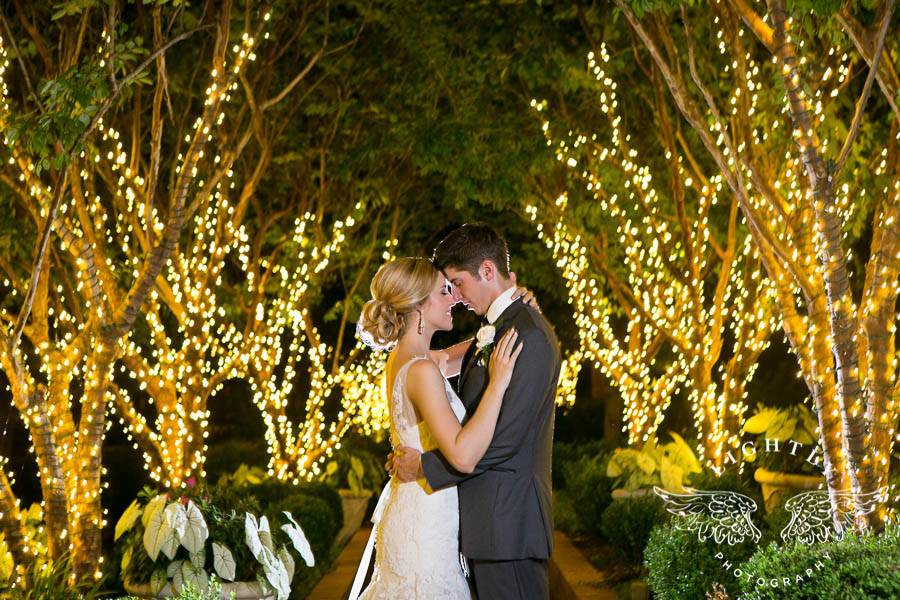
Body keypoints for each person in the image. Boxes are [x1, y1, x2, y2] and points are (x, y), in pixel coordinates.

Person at [391, 223, 562, 600]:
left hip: (510, 529)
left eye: (458, 283)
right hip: (485, 529)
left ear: (487, 271)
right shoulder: (496, 331)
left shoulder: (527, 335)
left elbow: (504, 443)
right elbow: (432, 363)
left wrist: (425, 466)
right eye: (446, 288)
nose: (456, 296)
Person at [352, 255, 526, 599]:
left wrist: (508, 315)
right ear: (418, 305)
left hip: (416, 509)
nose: (454, 299)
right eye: (444, 291)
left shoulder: (405, 360)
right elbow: (462, 455)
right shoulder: (422, 371)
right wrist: (498, 383)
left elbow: (457, 355)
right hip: (425, 525)